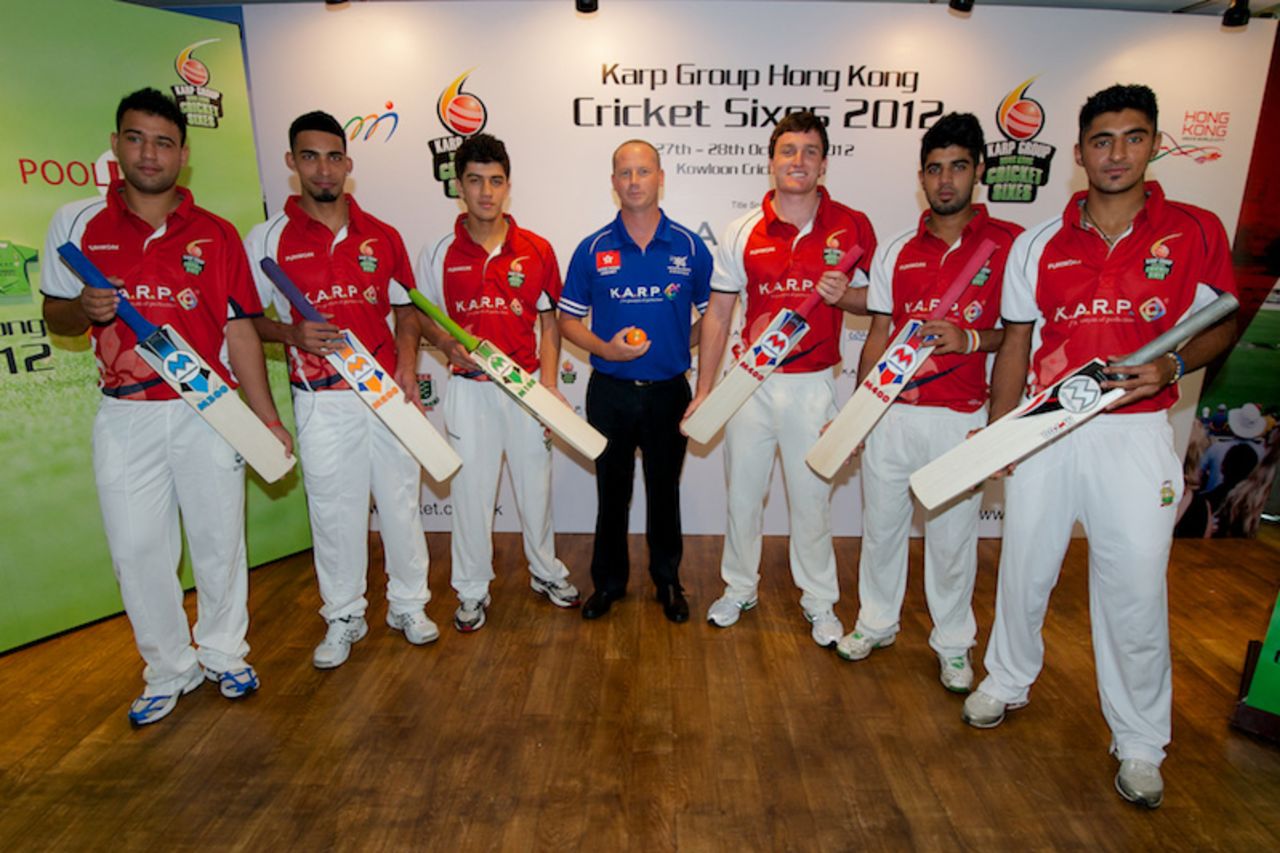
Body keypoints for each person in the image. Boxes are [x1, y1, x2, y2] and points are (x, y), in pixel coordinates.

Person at [961, 85, 1238, 809]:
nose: (1117, 153)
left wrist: (1173, 365)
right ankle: (1006, 678)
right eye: (1102, 140)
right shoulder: (1039, 243)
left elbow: (1221, 322)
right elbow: (1017, 343)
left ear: (1153, 144)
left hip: (1137, 429)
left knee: (1135, 590)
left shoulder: (1195, 228)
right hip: (1048, 423)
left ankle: (1142, 740)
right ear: (1079, 152)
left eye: (1133, 137)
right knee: (1024, 568)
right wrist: (1002, 434)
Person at [41, 88, 290, 725]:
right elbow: (55, 316)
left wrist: (263, 418)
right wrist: (84, 309)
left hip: (207, 407)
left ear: (183, 152)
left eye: (163, 141)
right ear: (117, 143)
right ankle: (167, 668)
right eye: (135, 138)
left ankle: (225, 652)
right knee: (137, 548)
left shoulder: (216, 234)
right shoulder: (75, 225)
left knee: (218, 541)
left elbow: (238, 331)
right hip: (127, 413)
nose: (149, 153)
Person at [834, 114, 1022, 691]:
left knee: (952, 541)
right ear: (922, 177)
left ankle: (953, 644)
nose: (946, 181)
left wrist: (971, 340)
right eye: (935, 169)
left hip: (960, 417)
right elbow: (879, 334)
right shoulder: (896, 250)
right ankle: (875, 622)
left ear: (978, 172)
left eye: (958, 167)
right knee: (882, 528)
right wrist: (862, 413)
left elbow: (1019, 335)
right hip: (893, 413)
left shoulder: (1010, 246)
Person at [245, 111, 434, 667]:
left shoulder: (384, 235)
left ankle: (408, 604)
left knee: (400, 503)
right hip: (321, 397)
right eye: (309, 156)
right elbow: (246, 319)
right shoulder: (266, 239)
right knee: (334, 510)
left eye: (333, 156)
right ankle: (345, 613)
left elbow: (405, 309)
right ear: (291, 163)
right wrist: (291, 332)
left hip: (382, 391)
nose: (322, 168)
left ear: (348, 164)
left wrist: (404, 366)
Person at [688, 111, 874, 647]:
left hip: (812, 384)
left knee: (811, 499)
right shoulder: (742, 229)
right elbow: (720, 314)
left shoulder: (853, 224)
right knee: (743, 495)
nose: (798, 161)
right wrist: (706, 392)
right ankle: (739, 587)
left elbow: (879, 303)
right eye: (788, 151)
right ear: (771, 161)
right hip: (749, 382)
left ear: (824, 162)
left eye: (809, 151)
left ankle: (819, 600)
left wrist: (847, 296)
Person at [411, 132, 579, 633]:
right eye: (475, 181)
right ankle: (471, 588)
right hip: (468, 388)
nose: (487, 191)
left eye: (496, 181)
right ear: (459, 186)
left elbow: (551, 323)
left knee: (535, 489)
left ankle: (545, 571)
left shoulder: (537, 249)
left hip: (525, 389)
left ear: (508, 185)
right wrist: (445, 344)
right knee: (471, 495)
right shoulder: (439, 251)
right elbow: (420, 318)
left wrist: (548, 385)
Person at [558, 139, 712, 623]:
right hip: (610, 392)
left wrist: (674, 344)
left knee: (664, 493)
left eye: (643, 172)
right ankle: (608, 585)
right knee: (612, 495)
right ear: (613, 183)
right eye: (624, 173)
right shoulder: (592, 249)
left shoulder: (689, 246)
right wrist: (607, 350)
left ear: (660, 177)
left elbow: (714, 319)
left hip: (669, 393)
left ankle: (668, 583)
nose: (634, 182)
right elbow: (567, 321)